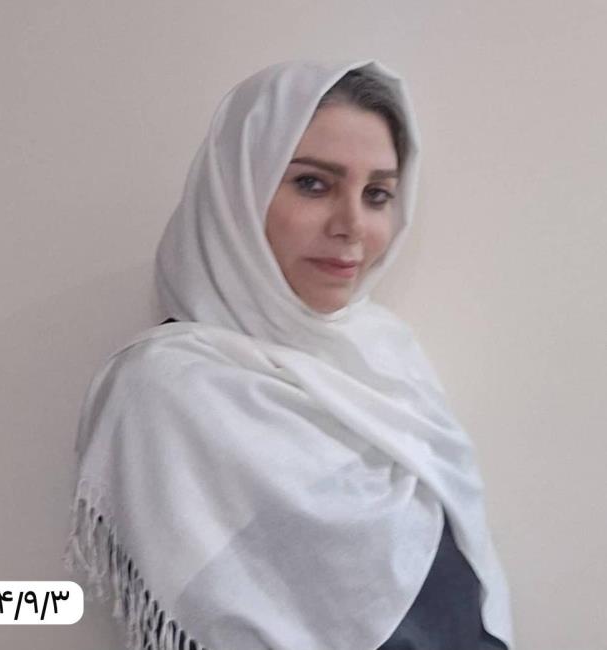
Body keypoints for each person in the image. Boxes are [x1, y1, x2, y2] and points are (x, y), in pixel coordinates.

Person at [63, 58, 515, 650]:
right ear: (237, 193)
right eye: (313, 185)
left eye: (377, 194)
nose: (352, 225)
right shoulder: (166, 389)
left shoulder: (388, 358)